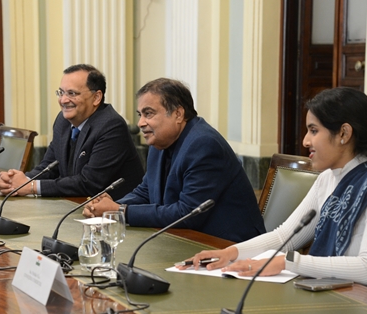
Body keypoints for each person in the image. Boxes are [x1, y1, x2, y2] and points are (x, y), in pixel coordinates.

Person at [180, 87, 367, 302]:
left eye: (313, 130)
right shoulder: (328, 178)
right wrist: (230, 253)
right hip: (328, 294)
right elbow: (284, 237)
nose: (305, 141)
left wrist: (289, 262)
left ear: (344, 133)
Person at [82, 77, 266, 243]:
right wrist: (108, 208)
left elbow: (187, 213)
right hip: (186, 239)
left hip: (227, 245)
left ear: (178, 114)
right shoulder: (160, 142)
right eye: (140, 115)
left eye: (149, 113)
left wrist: (120, 211)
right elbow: (146, 191)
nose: (140, 123)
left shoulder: (204, 144)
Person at [0, 64, 144, 200]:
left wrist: (31, 187)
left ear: (96, 97)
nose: (63, 100)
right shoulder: (63, 120)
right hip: (77, 206)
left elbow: (89, 183)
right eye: (61, 92)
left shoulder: (111, 126)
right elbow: (49, 166)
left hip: (116, 215)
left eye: (72, 93)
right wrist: (18, 182)